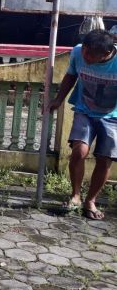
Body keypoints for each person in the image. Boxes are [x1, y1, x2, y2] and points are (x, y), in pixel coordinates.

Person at [48, 30, 117, 220]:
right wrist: (59, 99)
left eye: (90, 54)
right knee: (79, 152)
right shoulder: (77, 52)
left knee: (104, 159)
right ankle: (76, 195)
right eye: (85, 50)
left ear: (105, 54)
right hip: (84, 110)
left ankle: (91, 200)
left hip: (112, 116)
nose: (85, 56)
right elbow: (71, 76)